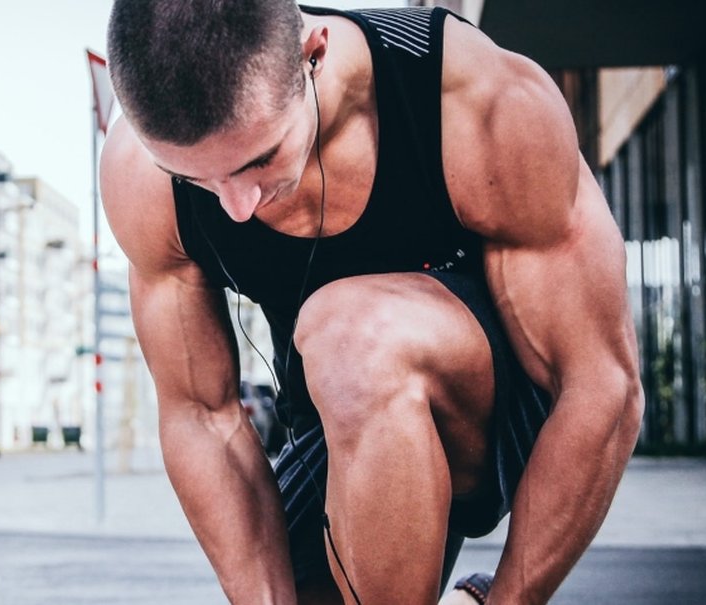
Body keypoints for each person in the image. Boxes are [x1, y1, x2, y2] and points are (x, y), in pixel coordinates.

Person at [99, 2, 644, 604]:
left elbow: (602, 385)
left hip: (501, 412)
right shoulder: (139, 178)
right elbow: (200, 413)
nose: (236, 206)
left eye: (260, 159)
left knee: (351, 335)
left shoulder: (476, 100)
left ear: (315, 56)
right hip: (337, 424)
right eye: (194, 179)